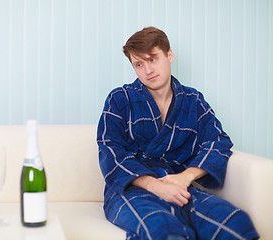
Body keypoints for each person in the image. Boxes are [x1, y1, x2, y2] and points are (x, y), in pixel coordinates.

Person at [97, 27, 259, 240]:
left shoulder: (193, 100)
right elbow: (110, 150)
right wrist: (156, 186)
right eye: (139, 64)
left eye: (152, 59)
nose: (147, 70)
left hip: (179, 186)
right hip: (130, 191)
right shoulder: (119, 99)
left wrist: (185, 177)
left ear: (169, 55)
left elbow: (218, 141)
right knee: (166, 230)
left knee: (237, 224)